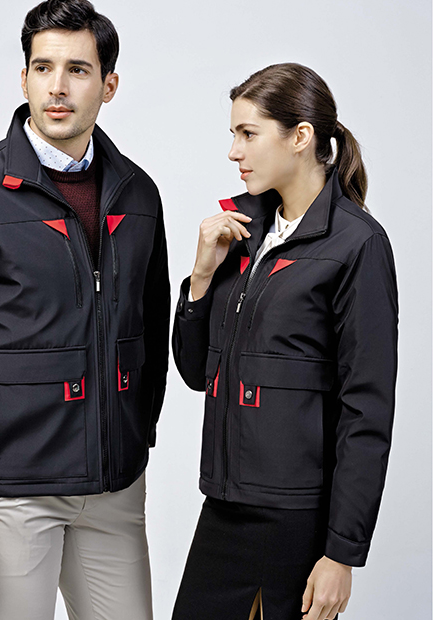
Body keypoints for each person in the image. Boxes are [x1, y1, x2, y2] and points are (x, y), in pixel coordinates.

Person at [0, 1, 170, 618]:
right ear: (23, 78)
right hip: (12, 492)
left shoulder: (139, 195)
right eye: (43, 68)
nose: (57, 87)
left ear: (109, 85)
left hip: (114, 487)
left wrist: (136, 434)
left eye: (78, 69)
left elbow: (150, 326)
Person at [171, 62, 398, 620]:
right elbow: (197, 372)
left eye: (248, 134)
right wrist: (200, 280)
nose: (234, 151)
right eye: (234, 134)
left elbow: (366, 409)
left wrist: (341, 553)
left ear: (300, 137)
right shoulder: (240, 233)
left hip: (295, 519)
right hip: (224, 505)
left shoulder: (357, 245)